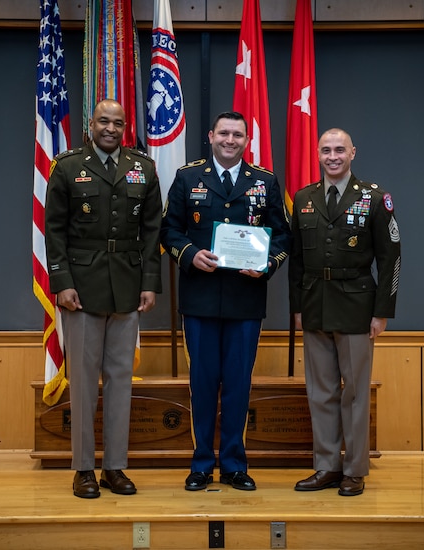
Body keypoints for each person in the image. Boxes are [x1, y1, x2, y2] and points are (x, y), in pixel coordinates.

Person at [160, 111, 291, 492]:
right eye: (224, 133)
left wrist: (267, 264)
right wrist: (188, 254)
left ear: (247, 140)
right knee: (202, 384)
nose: (230, 140)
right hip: (199, 299)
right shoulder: (188, 176)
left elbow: (283, 236)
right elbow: (169, 228)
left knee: (238, 384)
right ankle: (201, 463)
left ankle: (235, 464)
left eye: (238, 134)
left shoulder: (264, 181)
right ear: (211, 136)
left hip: (245, 300)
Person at [45, 99, 162, 499]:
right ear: (90, 124)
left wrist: (150, 282)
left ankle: (114, 466)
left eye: (118, 123)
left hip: (127, 287)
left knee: (120, 382)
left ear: (125, 126)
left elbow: (151, 231)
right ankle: (83, 469)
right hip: (81, 287)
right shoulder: (67, 165)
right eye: (103, 121)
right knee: (82, 384)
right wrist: (61, 282)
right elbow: (54, 230)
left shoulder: (142, 167)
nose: (110, 128)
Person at [288, 128, 401, 497]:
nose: (333, 156)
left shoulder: (373, 197)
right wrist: (297, 308)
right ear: (317, 154)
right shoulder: (304, 198)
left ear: (353, 152)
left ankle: (354, 469)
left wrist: (382, 311)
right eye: (326, 150)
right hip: (315, 303)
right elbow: (296, 262)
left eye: (340, 149)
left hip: (357, 304)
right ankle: (326, 467)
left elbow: (391, 259)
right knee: (320, 392)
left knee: (353, 393)